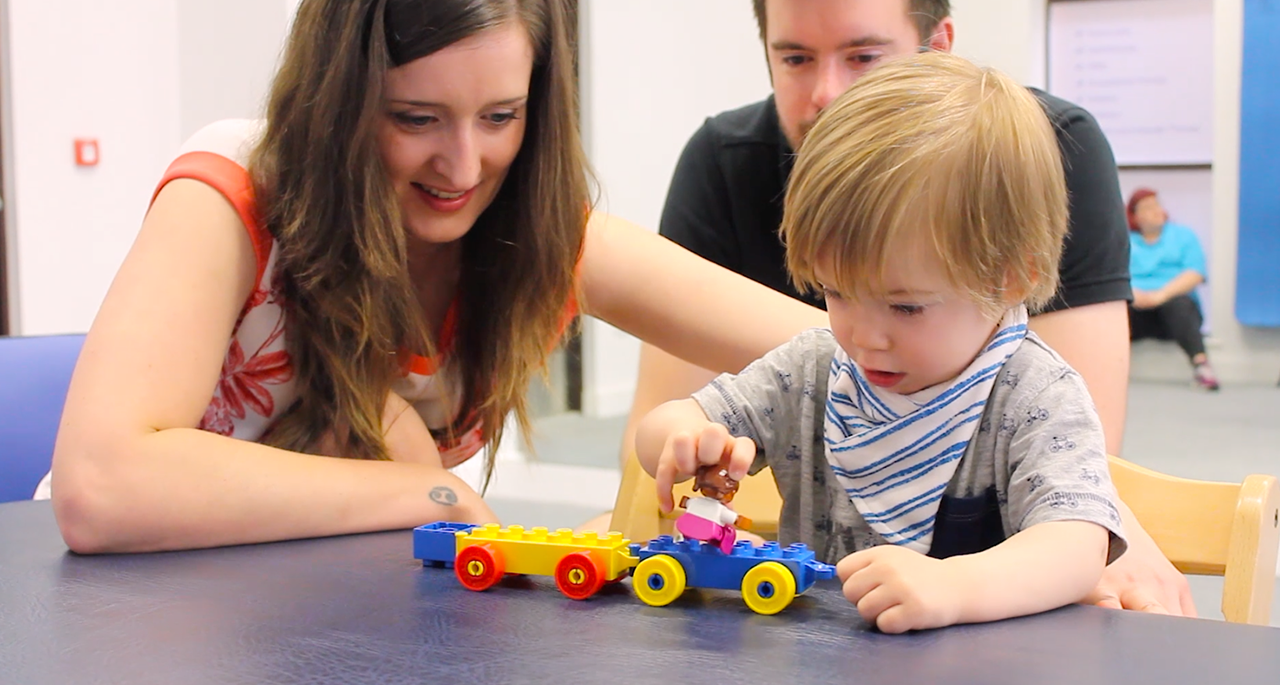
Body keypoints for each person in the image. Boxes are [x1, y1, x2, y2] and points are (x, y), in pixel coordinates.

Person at [45, 0, 824, 554]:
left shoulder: (537, 230)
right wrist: (430, 495)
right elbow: (101, 487)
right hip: (124, 614)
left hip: (314, 621)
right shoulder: (236, 190)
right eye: (415, 118)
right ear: (338, 101)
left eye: (499, 117)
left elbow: (842, 347)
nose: (461, 167)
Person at [624, 0, 1194, 618]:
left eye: (906, 307)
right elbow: (663, 427)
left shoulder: (1033, 394)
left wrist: (957, 588)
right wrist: (681, 437)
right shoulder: (814, 367)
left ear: (1012, 277)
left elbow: (1077, 542)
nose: (864, 336)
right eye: (836, 293)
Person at [1126, 188, 1219, 391]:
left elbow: (1195, 273)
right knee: (1114, 308)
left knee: (1179, 305)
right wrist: (1133, 295)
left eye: (1157, 205)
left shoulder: (1183, 236)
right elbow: (1112, 273)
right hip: (1136, 309)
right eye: (1148, 208)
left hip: (1173, 310)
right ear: (1135, 216)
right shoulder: (1124, 241)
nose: (1157, 211)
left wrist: (1161, 295)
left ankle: (1202, 366)